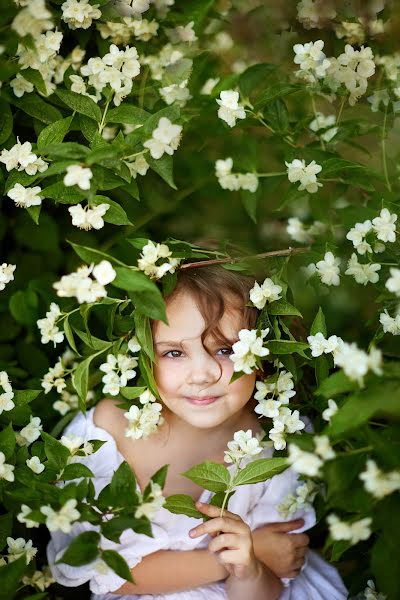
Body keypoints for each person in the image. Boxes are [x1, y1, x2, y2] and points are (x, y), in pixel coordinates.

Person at [47, 265, 348, 599]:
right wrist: (223, 560)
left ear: (263, 355)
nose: (202, 374)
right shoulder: (105, 435)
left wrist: (251, 564)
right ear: (145, 357)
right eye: (174, 352)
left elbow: (271, 579)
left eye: (225, 350)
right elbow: (107, 570)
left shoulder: (280, 441)